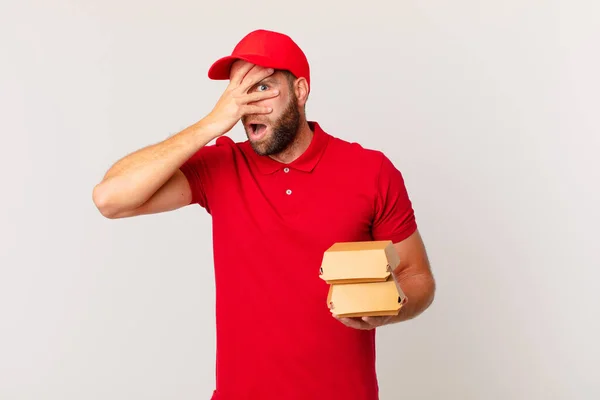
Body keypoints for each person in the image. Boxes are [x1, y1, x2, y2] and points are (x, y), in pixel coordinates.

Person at [92, 29, 435, 400]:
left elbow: (416, 276)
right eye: (238, 91)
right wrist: (212, 123)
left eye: (263, 88)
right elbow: (111, 199)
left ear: (300, 91)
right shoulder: (221, 167)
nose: (248, 106)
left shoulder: (370, 171)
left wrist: (391, 309)